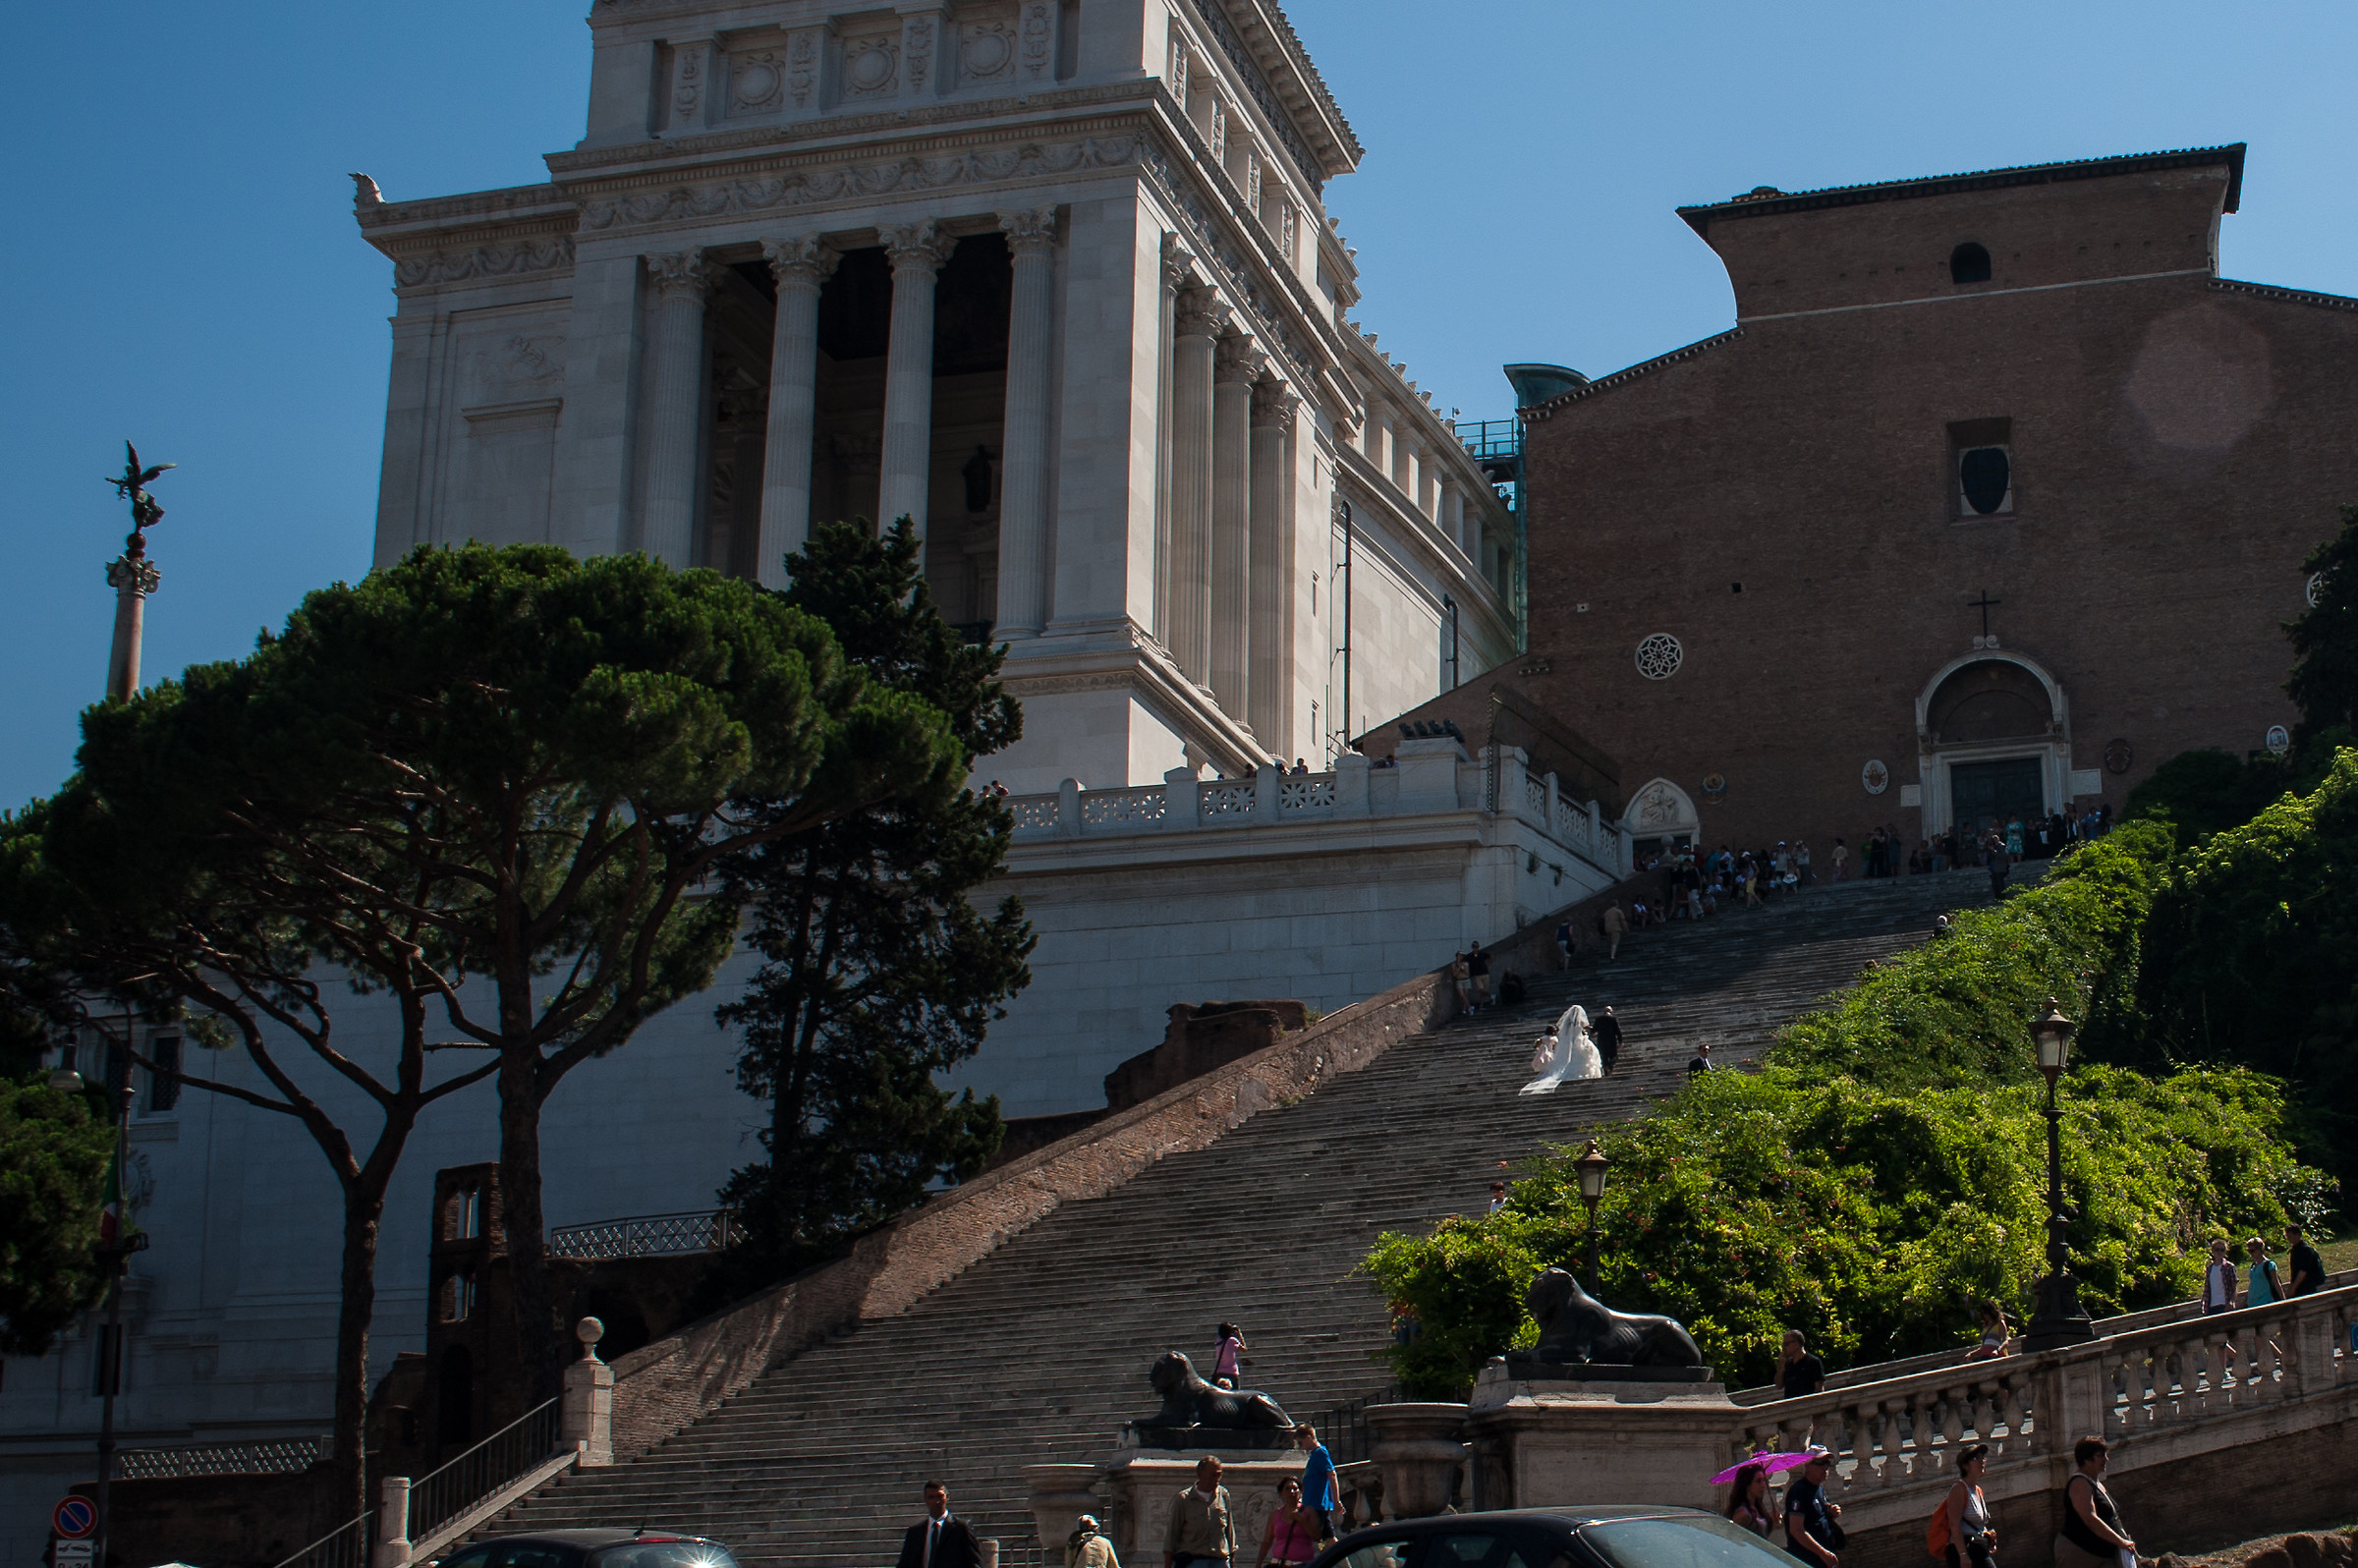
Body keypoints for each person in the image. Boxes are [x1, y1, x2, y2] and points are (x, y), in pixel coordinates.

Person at [2051, 1435, 2135, 1568]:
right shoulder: (2079, 1483)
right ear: (2086, 1458)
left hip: (2102, 1553)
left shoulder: (2095, 1483)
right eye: (2100, 1455)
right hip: (2082, 1552)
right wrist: (2120, 1541)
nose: (2106, 1459)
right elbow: (2090, 1518)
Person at [1165, 1456, 1235, 1568]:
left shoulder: (1224, 1495)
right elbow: (1172, 1536)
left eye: (1219, 1475)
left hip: (1219, 1560)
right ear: (1200, 1474)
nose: (1216, 1479)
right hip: (1193, 1561)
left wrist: (1232, 1558)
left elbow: (1229, 1531)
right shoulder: (1184, 1499)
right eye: (1212, 1475)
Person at [1522, 1005, 1604, 1093]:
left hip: (1569, 1045)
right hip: (1579, 1042)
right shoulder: (1580, 1022)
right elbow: (1588, 1028)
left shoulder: (1566, 1025)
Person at [900, 1483, 983, 1568]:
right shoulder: (915, 1532)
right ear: (925, 1500)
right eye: (931, 1497)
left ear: (947, 1497)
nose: (936, 1501)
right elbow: (904, 1563)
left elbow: (974, 1563)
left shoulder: (961, 1528)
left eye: (940, 1496)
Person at [1784, 1450, 1844, 1568]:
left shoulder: (1818, 1489)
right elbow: (1797, 1530)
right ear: (1807, 1465)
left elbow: (1816, 1517)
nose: (1825, 1467)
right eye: (1820, 1463)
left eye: (1827, 1463)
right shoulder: (1799, 1491)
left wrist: (1830, 1513)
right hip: (1807, 1560)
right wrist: (1823, 1554)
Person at [1943, 1442, 1996, 1568]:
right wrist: (1963, 1555)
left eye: (1982, 1457)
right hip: (1966, 1553)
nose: (1981, 1461)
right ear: (1965, 1466)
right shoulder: (1958, 1489)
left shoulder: (1978, 1490)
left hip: (1979, 1551)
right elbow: (1954, 1524)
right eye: (1976, 1458)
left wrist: (1988, 1535)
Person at [1256, 1479, 1318, 1568]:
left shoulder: (1309, 1512)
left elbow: (1317, 1538)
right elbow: (1266, 1542)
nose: (1292, 1492)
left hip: (1303, 1564)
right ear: (1281, 1494)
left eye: (1295, 1488)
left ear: (1300, 1492)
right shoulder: (1275, 1514)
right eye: (1287, 1489)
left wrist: (1302, 1520)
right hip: (1280, 1564)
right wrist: (1258, 1563)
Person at [1295, 1425, 1338, 1542]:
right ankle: (1341, 1558)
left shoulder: (1320, 1453)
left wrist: (1336, 1500)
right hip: (1313, 1504)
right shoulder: (1315, 1454)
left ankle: (1324, 1557)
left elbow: (1332, 1475)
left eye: (1301, 1442)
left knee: (1318, 1538)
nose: (1301, 1447)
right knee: (1329, 1538)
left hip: (1317, 1504)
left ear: (1309, 1438)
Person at [1724, 1460, 1779, 1539]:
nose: (1763, 1485)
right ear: (1747, 1485)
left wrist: (1773, 1522)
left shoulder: (1757, 1508)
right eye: (1758, 1481)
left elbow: (1762, 1539)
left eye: (1764, 1480)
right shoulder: (1742, 1514)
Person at [1782, 1329, 1825, 1397]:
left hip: (1807, 1404)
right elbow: (1779, 1385)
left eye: (1786, 1344)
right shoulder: (1788, 1364)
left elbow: (1819, 1389)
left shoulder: (1813, 1362)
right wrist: (1780, 1365)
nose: (1783, 1347)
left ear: (1796, 1344)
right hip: (1790, 1406)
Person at [2201, 1238, 2238, 1315]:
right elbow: (2207, 1289)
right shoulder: (2209, 1269)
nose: (2219, 1252)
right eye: (2217, 1250)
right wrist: (2204, 1306)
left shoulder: (2229, 1267)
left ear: (2225, 1252)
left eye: (2222, 1250)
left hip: (2225, 1305)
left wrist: (2231, 1302)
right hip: (2211, 1306)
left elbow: (2234, 1288)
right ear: (2212, 1251)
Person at [2286, 1223, 2326, 1296]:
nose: (2288, 1239)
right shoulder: (2295, 1250)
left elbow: (2303, 1272)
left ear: (2297, 1235)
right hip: (2300, 1287)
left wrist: (2293, 1288)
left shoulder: (2306, 1250)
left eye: (2290, 1236)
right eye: (2287, 1236)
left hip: (2309, 1287)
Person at [2245, 1236, 2282, 1306]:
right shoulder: (2253, 1266)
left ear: (2259, 1250)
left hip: (2266, 1301)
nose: (2251, 1254)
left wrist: (2283, 1299)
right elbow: (2252, 1284)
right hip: (2252, 1303)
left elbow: (2276, 1283)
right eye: (2249, 1251)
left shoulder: (2269, 1265)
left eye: (2252, 1251)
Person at [1212, 1322, 1246, 1388]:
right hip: (1232, 1371)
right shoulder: (1232, 1341)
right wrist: (1239, 1334)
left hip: (1219, 1371)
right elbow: (1244, 1349)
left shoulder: (1218, 1341)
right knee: (1235, 1394)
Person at [1593, 1006, 1622, 1075]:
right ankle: (1609, 1067)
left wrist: (1588, 1028)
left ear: (1604, 1012)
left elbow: (1594, 1030)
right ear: (1611, 1012)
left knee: (1604, 1056)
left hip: (1601, 1041)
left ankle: (1606, 1070)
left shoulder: (1599, 1019)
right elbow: (1618, 1031)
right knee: (1614, 1056)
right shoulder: (1613, 1019)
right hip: (1611, 1041)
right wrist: (1620, 1041)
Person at [1468, 944, 1492, 1008]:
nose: (1475, 949)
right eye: (1473, 947)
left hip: (1485, 973)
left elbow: (1491, 957)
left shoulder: (1482, 954)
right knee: (1481, 989)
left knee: (1484, 990)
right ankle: (1491, 996)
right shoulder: (1470, 956)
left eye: (1476, 947)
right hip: (1477, 975)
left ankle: (1481, 1004)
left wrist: (1488, 964)